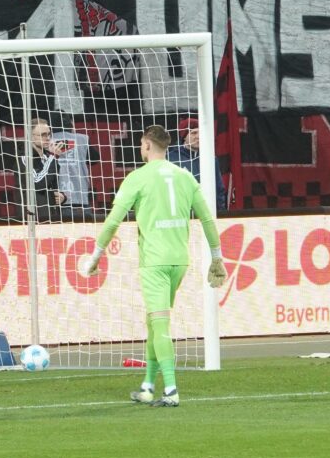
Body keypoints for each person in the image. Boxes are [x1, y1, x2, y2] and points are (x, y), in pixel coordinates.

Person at [78, 125, 226, 408]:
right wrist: (217, 257)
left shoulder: (138, 178)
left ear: (146, 145)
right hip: (179, 261)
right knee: (153, 324)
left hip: (154, 263)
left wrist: (95, 256)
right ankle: (147, 386)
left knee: (160, 326)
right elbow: (207, 219)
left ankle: (170, 390)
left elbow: (113, 221)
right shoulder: (185, 176)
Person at [27, 119, 91, 219]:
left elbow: (50, 182)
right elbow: (39, 183)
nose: (47, 138)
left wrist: (63, 197)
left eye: (49, 134)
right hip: (77, 198)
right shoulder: (26, 158)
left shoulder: (47, 153)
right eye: (43, 135)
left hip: (57, 204)